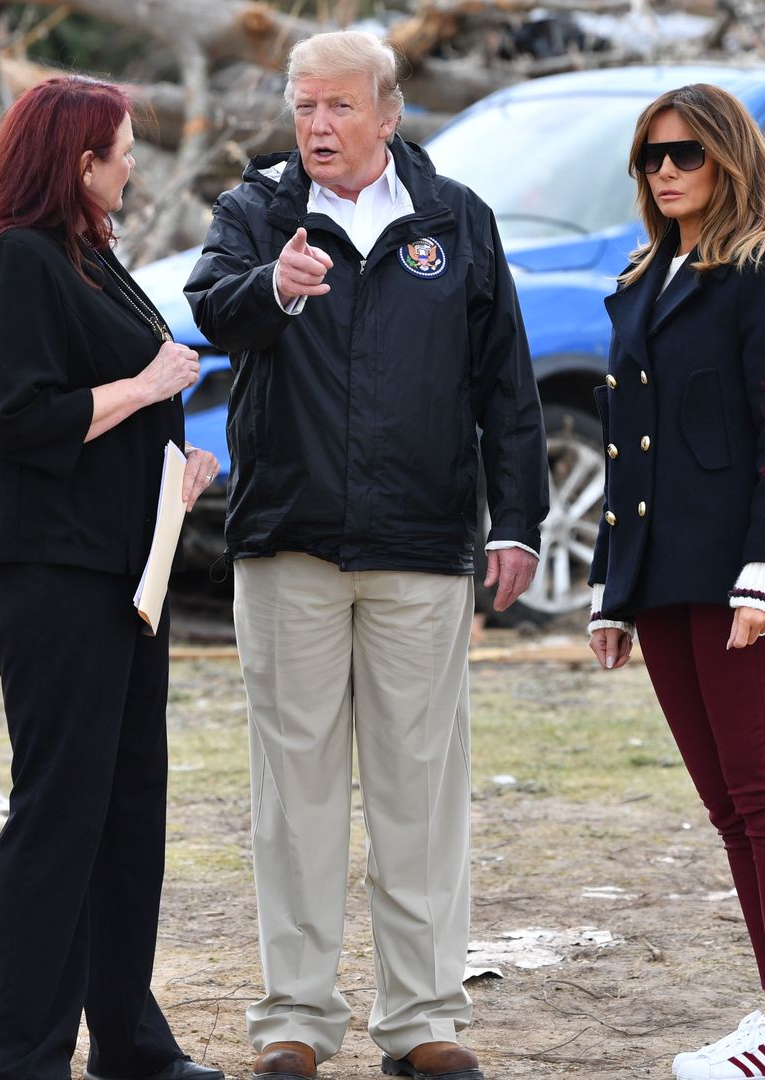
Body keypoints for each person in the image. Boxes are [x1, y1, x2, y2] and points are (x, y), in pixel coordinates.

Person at [184, 30, 548, 1080]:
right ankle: (293, 1021)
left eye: (340, 107)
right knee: (293, 793)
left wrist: (515, 520)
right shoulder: (256, 209)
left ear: (389, 114)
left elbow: (505, 385)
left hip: (421, 542)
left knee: (417, 788)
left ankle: (423, 1021)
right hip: (287, 538)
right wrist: (277, 287)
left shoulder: (454, 220)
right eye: (304, 106)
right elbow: (210, 310)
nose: (318, 127)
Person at [0, 75, 224, 1080]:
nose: (134, 159)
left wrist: (173, 466)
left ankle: (129, 1038)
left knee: (127, 803)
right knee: (61, 808)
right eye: (124, 145)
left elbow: (101, 405)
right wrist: (148, 386)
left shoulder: (88, 253)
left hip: (122, 564)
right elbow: (13, 416)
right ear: (79, 158)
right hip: (50, 568)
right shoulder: (17, 260)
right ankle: (23, 1055)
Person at [583, 83, 765, 1080]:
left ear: (728, 155)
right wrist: (609, 588)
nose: (667, 171)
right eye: (650, 158)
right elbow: (625, 451)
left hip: (739, 577)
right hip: (661, 579)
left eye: (684, 153)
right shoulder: (648, 273)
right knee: (728, 806)